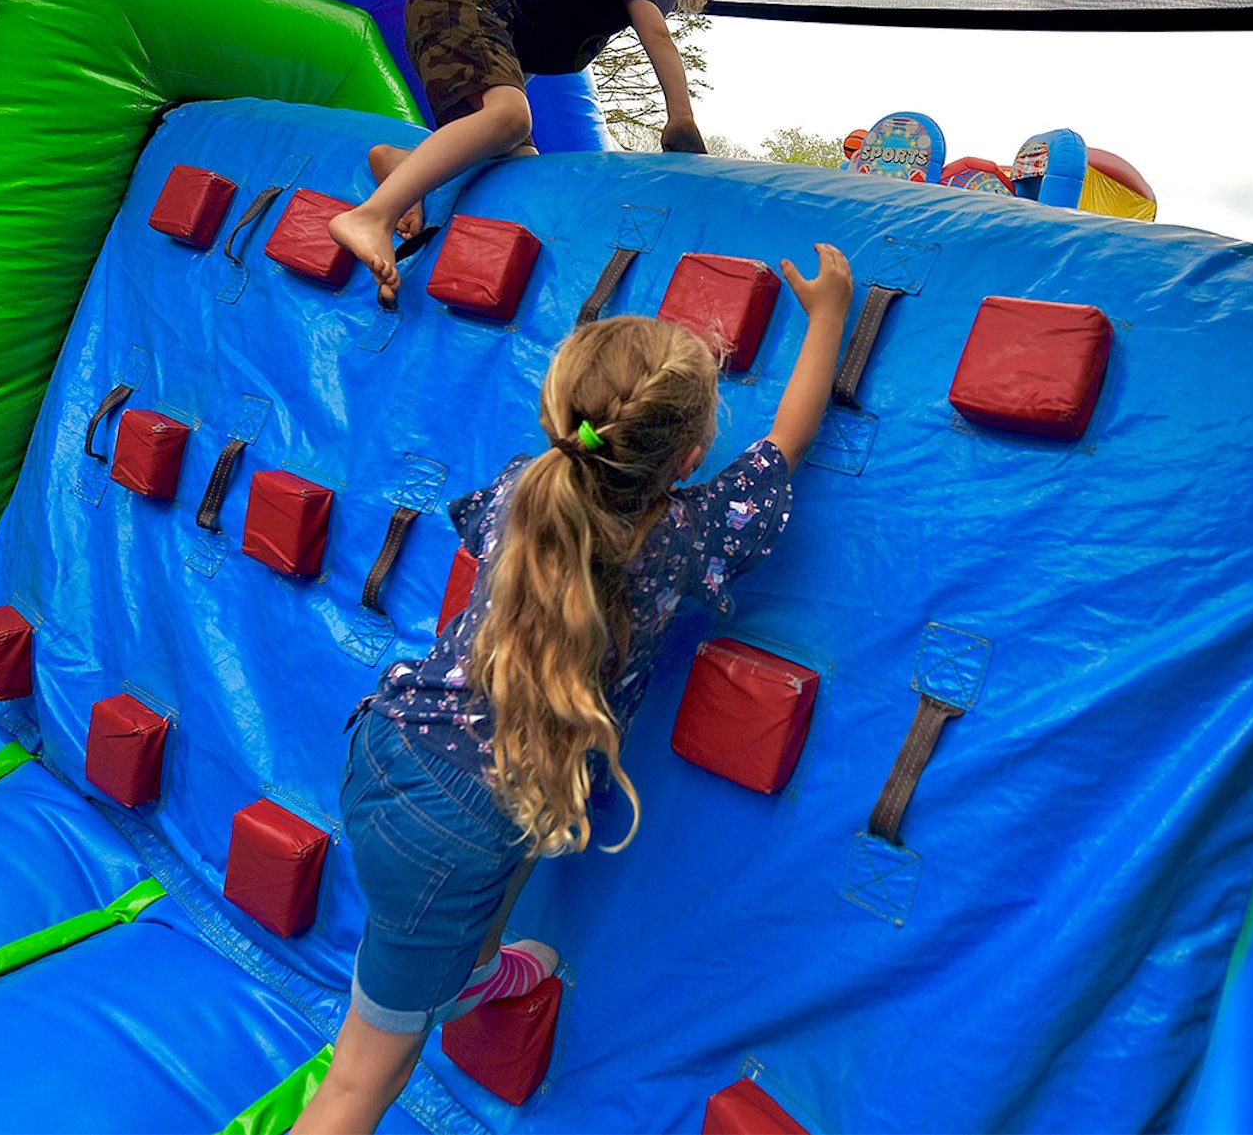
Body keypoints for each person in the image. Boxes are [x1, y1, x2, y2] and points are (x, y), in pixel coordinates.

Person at [292, 245, 855, 1133]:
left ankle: (471, 967)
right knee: (363, 1075)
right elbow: (785, 446)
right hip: (456, 821)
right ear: (696, 453)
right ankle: (449, 972)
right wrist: (827, 318)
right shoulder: (694, 535)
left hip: (394, 739)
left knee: (531, 811)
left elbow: (476, 523)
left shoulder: (527, 484)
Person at [329, 0, 709, 305]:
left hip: (451, 6)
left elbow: (506, 61)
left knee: (520, 159)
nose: (668, 11)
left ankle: (404, 164)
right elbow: (658, 39)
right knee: (512, 116)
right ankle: (372, 215)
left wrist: (498, 136)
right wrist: (680, 119)